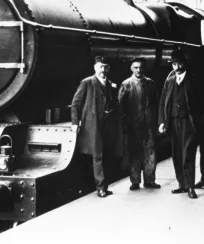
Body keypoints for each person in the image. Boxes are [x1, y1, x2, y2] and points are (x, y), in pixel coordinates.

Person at [71, 56, 118, 198]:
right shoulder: (87, 83)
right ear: (95, 68)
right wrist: (75, 122)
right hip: (93, 126)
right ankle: (101, 188)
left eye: (105, 67)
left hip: (107, 125)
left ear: (108, 68)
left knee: (107, 155)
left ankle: (105, 186)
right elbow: (75, 104)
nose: (102, 70)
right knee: (98, 156)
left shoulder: (109, 84)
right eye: (100, 67)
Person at [158, 49, 202, 199]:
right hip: (173, 122)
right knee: (177, 154)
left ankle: (190, 187)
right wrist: (162, 121)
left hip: (189, 123)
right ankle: (182, 184)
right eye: (174, 64)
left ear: (184, 63)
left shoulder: (193, 80)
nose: (177, 67)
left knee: (188, 153)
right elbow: (163, 101)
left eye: (179, 63)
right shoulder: (169, 81)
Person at [118, 57, 160, 191]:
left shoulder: (150, 84)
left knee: (150, 153)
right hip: (133, 126)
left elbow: (158, 103)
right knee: (134, 153)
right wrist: (124, 124)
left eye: (141, 67)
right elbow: (120, 106)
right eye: (135, 67)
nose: (138, 70)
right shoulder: (126, 84)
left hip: (149, 125)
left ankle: (150, 180)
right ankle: (135, 181)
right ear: (131, 68)